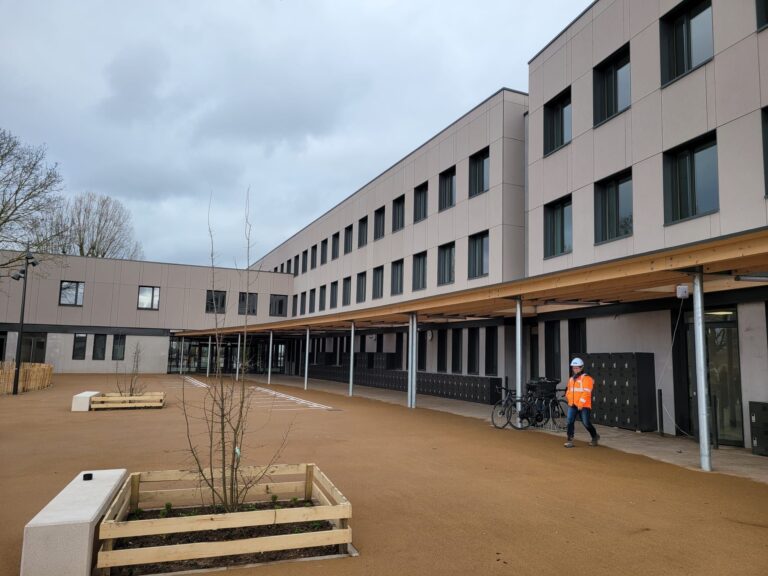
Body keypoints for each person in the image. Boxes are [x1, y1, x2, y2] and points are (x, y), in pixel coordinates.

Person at [564, 357, 600, 448]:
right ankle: (570, 440)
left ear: (581, 368)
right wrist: (568, 398)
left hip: (584, 406)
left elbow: (586, 393)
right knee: (569, 421)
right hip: (572, 404)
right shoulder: (571, 379)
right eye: (574, 368)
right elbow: (568, 390)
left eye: (577, 368)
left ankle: (594, 436)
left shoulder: (587, 379)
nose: (575, 370)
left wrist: (580, 404)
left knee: (586, 423)